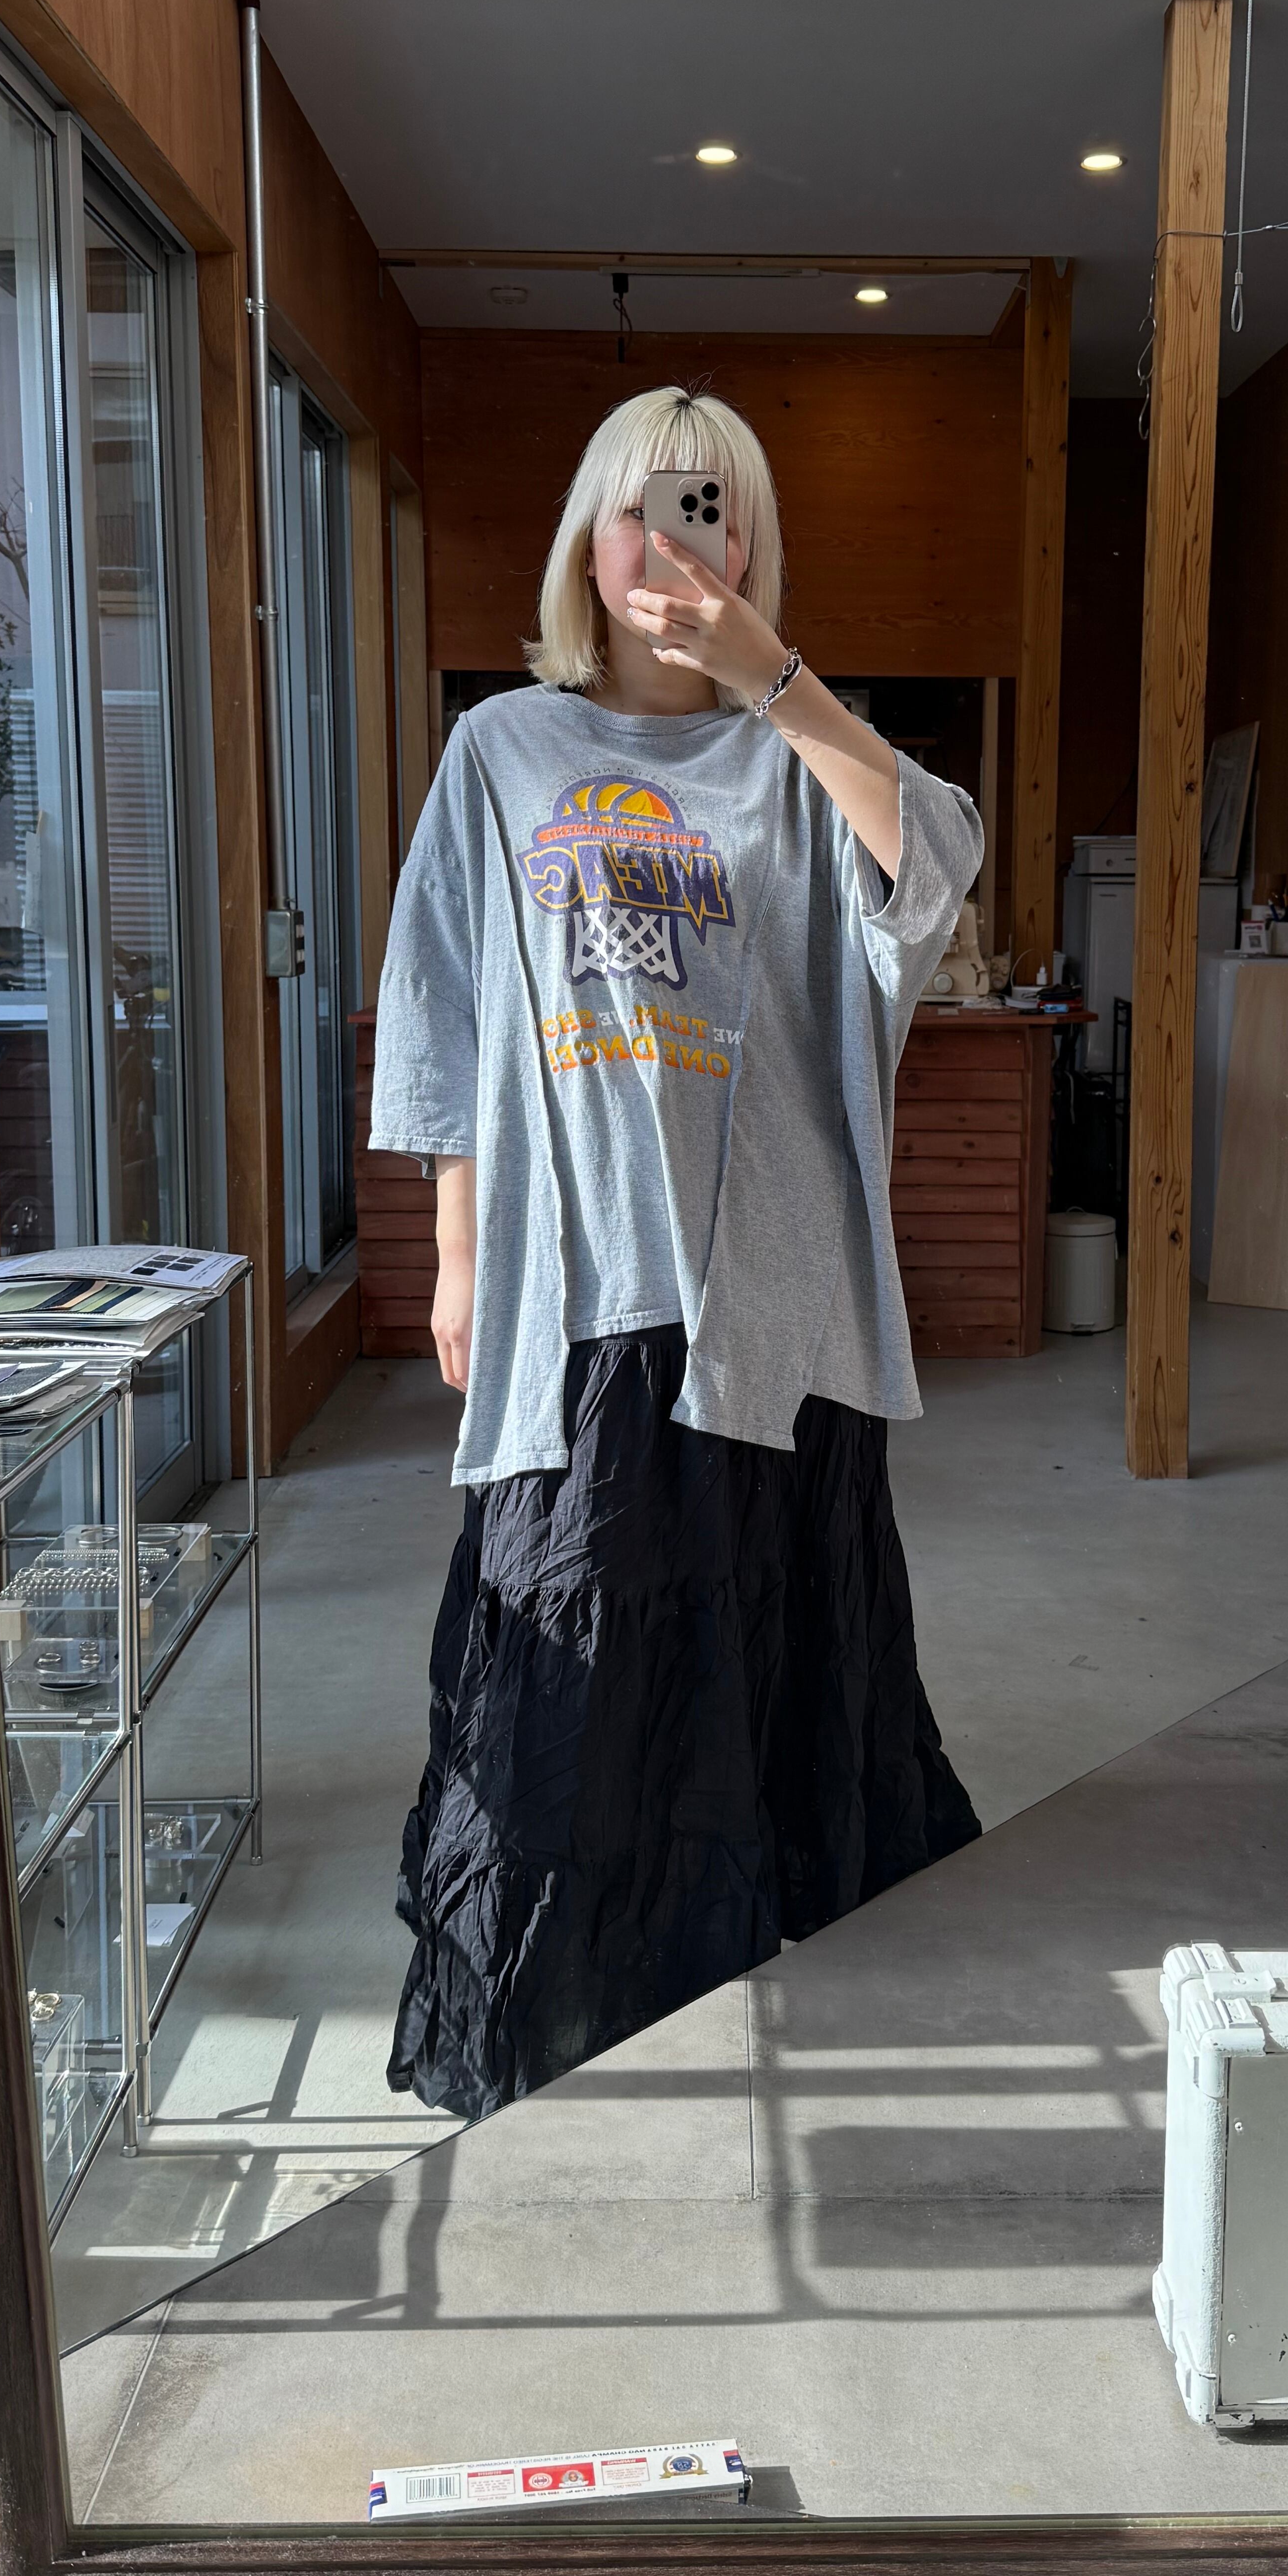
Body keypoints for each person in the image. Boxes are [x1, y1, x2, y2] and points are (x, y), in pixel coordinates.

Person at [372, 384, 982, 2121]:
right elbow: (442, 1001)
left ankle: (773, 1965)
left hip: (770, 1296)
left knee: (771, 1640)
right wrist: (456, 1252)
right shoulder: (504, 750)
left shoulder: (800, 755)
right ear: (588, 539)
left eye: (710, 510)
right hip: (580, 1287)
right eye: (641, 510)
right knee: (572, 1640)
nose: (671, 546)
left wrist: (776, 683)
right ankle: (570, 2005)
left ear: (753, 545)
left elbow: (932, 871)